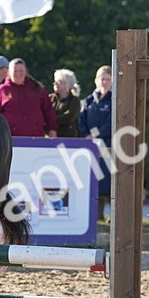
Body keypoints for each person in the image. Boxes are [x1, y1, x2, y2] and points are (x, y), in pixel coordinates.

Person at [0, 58, 57, 137]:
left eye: (21, 70)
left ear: (25, 71)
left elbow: (48, 110)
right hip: (10, 139)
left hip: (36, 137)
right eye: (15, 71)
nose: (18, 74)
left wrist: (52, 128)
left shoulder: (37, 88)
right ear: (9, 72)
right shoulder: (1, 91)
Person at [78, 65, 113, 218]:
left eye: (107, 79)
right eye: (102, 79)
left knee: (105, 181)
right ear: (96, 80)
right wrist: (86, 135)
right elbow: (81, 120)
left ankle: (102, 214)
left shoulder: (114, 100)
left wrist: (94, 135)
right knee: (90, 179)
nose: (104, 82)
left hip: (107, 146)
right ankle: (91, 215)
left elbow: (111, 123)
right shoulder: (88, 101)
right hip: (89, 147)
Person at [50, 68, 81, 138]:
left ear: (67, 84)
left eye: (59, 81)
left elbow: (69, 117)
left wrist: (51, 121)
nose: (55, 83)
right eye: (55, 81)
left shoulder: (74, 100)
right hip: (49, 137)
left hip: (68, 138)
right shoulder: (50, 98)